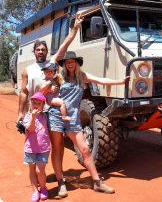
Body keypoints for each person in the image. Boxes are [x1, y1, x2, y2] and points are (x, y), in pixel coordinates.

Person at [47, 51, 130, 198]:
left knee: (85, 149)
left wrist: (120, 82)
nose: (70, 63)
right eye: (67, 62)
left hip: (73, 118)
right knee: (56, 149)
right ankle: (61, 182)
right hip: (56, 117)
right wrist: (50, 92)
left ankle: (97, 182)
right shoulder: (59, 78)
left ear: (76, 63)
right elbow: (46, 93)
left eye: (72, 61)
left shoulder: (82, 77)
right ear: (65, 64)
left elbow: (101, 80)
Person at [17, 13, 84, 181]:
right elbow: (24, 92)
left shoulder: (53, 63)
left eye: (43, 49)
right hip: (36, 113)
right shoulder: (28, 70)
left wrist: (76, 26)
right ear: (34, 52)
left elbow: (65, 43)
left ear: (47, 52)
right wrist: (20, 112)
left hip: (52, 111)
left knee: (57, 145)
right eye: (38, 49)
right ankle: (40, 177)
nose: (41, 52)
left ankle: (58, 174)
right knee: (37, 144)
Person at [23, 92, 50, 202]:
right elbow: (30, 128)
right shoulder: (27, 117)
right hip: (30, 148)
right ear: (30, 103)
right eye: (34, 102)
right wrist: (33, 117)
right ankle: (35, 191)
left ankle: (43, 188)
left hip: (43, 148)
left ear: (43, 105)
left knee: (40, 171)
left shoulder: (45, 116)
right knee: (32, 171)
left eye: (39, 103)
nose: (36, 105)